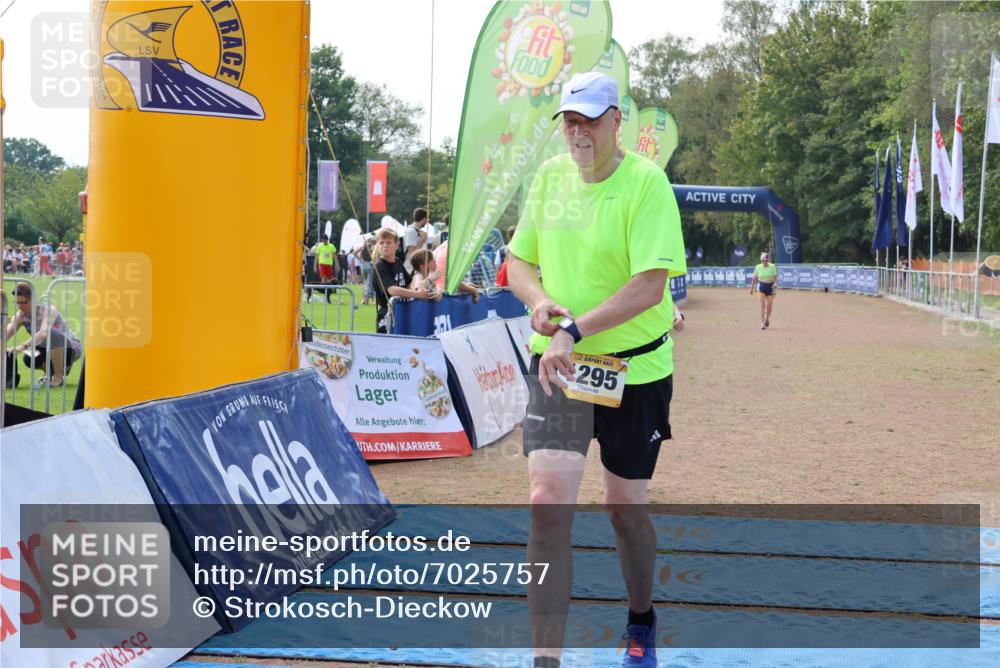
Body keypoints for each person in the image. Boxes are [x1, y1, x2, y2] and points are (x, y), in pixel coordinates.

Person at [507, 71, 686, 668]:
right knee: (546, 502)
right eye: (569, 120)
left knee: (623, 510)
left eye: (589, 118)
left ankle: (640, 618)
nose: (578, 131)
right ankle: (545, 660)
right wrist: (537, 302)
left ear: (617, 120)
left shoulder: (646, 184)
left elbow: (649, 286)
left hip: (633, 370)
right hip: (562, 367)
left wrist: (575, 327)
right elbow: (518, 263)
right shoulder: (550, 179)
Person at [4, 282, 83, 388]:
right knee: (28, 358)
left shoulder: (48, 310)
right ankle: (52, 371)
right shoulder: (20, 316)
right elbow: (5, 335)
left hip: (70, 348)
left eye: (24, 302)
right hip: (46, 348)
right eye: (17, 303)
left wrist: (21, 346)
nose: (20, 306)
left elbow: (43, 333)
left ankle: (58, 376)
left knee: (51, 334)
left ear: (33, 299)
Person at [372, 228, 432, 334]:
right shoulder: (379, 266)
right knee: (388, 348)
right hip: (388, 315)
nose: (385, 245)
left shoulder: (398, 262)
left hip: (404, 312)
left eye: (389, 242)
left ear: (397, 245)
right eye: (381, 243)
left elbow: (409, 282)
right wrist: (417, 294)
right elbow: (392, 290)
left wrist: (418, 287)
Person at [749, 251, 778, 329]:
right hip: (761, 286)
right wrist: (752, 288)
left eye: (765, 260)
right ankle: (762, 323)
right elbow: (754, 278)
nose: (764, 262)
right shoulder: (758, 267)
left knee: (769, 306)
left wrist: (775, 283)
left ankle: (766, 318)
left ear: (768, 260)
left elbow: (775, 277)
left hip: (770, 286)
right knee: (762, 305)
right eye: (763, 261)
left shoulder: (772, 266)